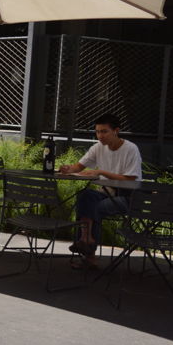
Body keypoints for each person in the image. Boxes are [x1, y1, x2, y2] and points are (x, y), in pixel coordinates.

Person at [58, 113, 142, 269]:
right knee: (84, 196)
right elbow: (79, 167)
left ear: (116, 131)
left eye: (104, 131)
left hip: (128, 197)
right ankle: (86, 240)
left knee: (95, 207)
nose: (100, 136)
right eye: (97, 132)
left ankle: (88, 253)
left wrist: (101, 172)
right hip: (105, 193)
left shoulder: (130, 149)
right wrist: (68, 169)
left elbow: (131, 180)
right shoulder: (98, 147)